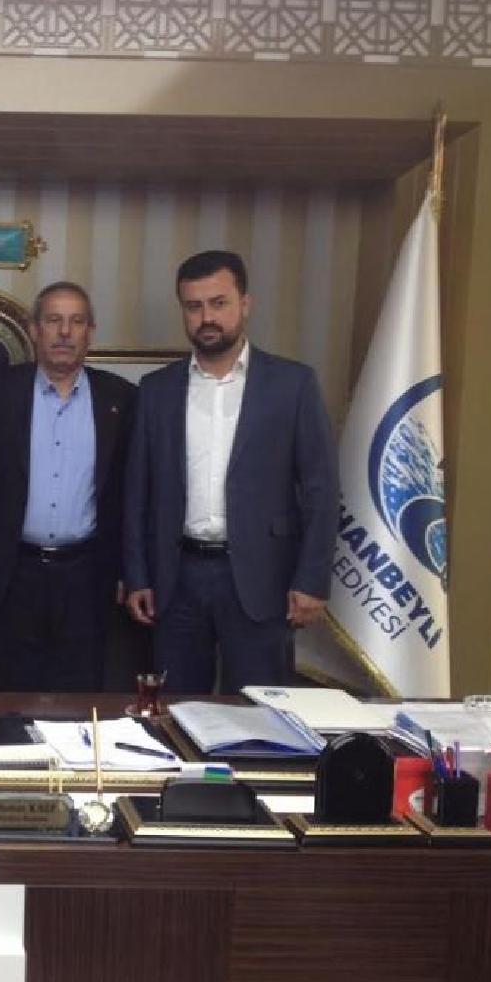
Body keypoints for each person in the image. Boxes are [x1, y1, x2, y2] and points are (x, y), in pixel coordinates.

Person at [123, 250, 337, 694]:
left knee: (260, 710)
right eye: (194, 306)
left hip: (263, 577)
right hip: (177, 577)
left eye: (218, 303)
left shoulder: (292, 385)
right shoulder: (157, 390)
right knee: (177, 707)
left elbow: (321, 489)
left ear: (245, 304)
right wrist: (138, 575)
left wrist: (312, 580)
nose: (207, 318)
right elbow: (137, 492)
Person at [0, 281, 136, 691]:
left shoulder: (120, 398)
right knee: (8, 692)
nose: (64, 332)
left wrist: (126, 571)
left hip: (87, 575)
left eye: (76, 322)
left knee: (80, 692)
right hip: (14, 573)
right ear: (34, 329)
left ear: (90, 332)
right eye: (54, 320)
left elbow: (129, 493)